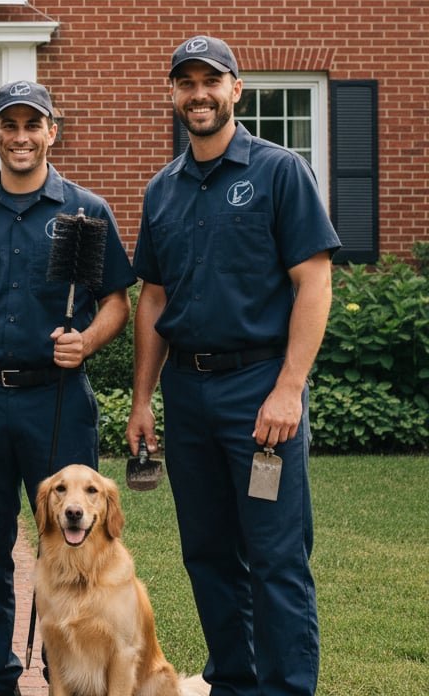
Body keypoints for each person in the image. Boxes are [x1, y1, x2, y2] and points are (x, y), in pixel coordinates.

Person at [127, 35, 340, 696]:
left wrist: (288, 389)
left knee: (275, 556)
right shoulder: (162, 190)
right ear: (173, 93)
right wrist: (143, 400)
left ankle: (287, 688)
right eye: (186, 83)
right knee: (208, 553)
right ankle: (236, 683)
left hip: (259, 394)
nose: (199, 95)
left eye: (211, 81)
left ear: (235, 90)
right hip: (188, 395)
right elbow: (153, 298)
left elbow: (314, 281)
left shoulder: (280, 172)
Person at [0, 80, 136, 696]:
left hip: (58, 400)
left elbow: (118, 303)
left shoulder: (86, 211)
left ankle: (66, 673)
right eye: (9, 125)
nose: (21, 137)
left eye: (32, 125)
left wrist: (85, 341)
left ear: (51, 132)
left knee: (71, 546)